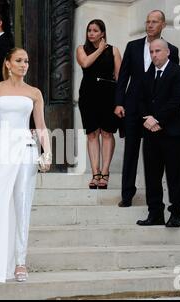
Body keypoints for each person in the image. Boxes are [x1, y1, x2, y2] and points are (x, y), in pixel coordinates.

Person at [0, 48, 52, 284]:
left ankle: (20, 261)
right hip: (0, 147)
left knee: (22, 203)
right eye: (19, 60)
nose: (24, 64)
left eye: (27, 61)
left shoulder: (34, 93)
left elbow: (40, 126)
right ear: (8, 63)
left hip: (25, 148)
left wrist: (47, 152)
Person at [114, 10, 179, 207]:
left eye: (154, 22)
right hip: (132, 106)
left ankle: (156, 202)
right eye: (148, 21)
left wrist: (162, 114)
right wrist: (119, 102)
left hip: (156, 111)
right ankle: (127, 195)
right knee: (131, 152)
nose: (150, 25)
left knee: (155, 156)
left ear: (163, 25)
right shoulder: (132, 46)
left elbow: (172, 80)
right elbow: (123, 76)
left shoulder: (171, 50)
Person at [136, 39, 180, 228]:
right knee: (152, 175)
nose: (154, 55)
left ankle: (175, 214)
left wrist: (156, 119)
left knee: (174, 175)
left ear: (167, 52)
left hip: (171, 133)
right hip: (150, 133)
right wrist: (147, 119)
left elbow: (176, 100)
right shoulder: (147, 74)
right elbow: (140, 99)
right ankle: (155, 213)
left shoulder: (179, 72)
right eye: (151, 51)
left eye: (157, 51)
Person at [76, 19, 122, 189]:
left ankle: (105, 172)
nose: (91, 33)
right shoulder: (82, 49)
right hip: (88, 95)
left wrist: (120, 102)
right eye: (89, 30)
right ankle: (95, 173)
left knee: (107, 133)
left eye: (95, 30)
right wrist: (101, 49)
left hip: (108, 96)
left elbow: (120, 78)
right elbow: (86, 63)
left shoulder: (114, 51)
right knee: (92, 133)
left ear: (102, 33)